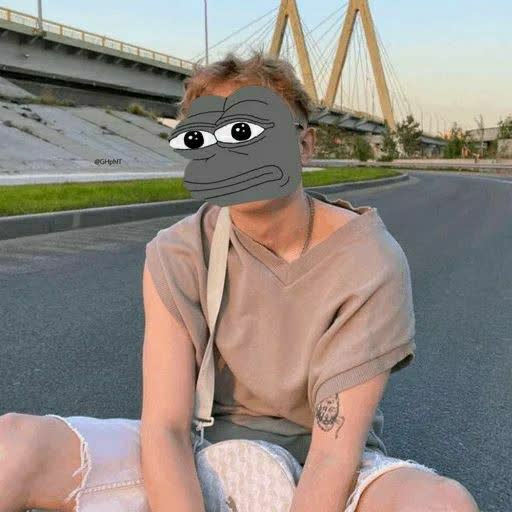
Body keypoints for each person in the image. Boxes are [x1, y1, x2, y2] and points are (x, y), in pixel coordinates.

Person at [0, 52, 479, 512]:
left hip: (318, 461)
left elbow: (333, 455)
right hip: (201, 447)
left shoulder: (369, 261)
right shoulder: (179, 251)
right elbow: (166, 428)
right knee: (13, 446)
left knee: (444, 504)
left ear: (304, 145)